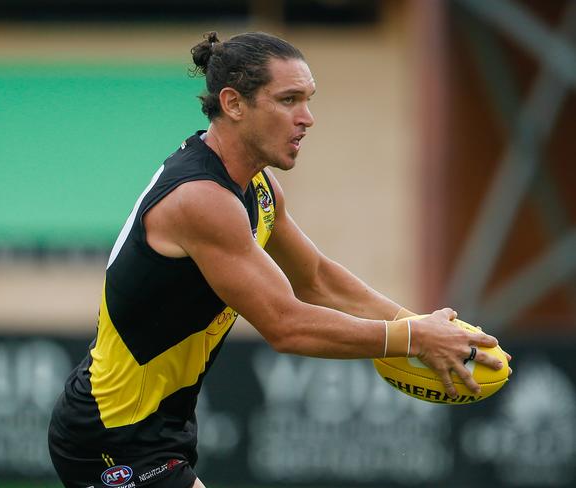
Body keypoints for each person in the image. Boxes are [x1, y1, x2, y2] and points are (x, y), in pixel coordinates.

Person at [48, 31, 510, 488]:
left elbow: (316, 278)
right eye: (289, 100)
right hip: (109, 434)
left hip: (157, 428)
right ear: (233, 104)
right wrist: (412, 338)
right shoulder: (201, 200)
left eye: (308, 100)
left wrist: (419, 324)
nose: (307, 118)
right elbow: (286, 325)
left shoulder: (258, 189)